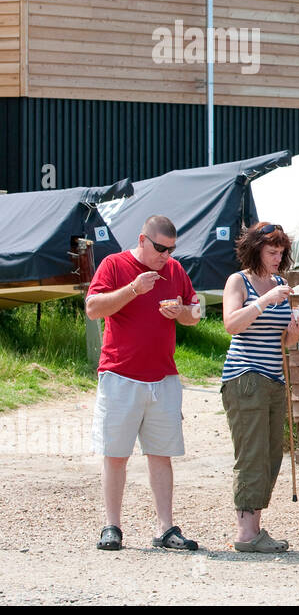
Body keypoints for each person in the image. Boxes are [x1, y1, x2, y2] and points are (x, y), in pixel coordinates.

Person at [85, 214, 203, 551]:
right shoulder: (114, 264)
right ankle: (112, 526)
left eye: (171, 249)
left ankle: (165, 528)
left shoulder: (175, 271)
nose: (166, 255)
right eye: (160, 248)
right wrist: (134, 289)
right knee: (115, 453)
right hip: (120, 374)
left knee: (161, 453)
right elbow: (93, 308)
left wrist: (181, 311)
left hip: (163, 376)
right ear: (141, 240)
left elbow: (196, 314)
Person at [220, 222, 299, 552]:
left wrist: (294, 333)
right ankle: (245, 533)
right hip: (245, 377)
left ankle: (254, 529)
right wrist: (265, 300)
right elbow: (231, 324)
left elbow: (281, 339)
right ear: (256, 250)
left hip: (273, 378)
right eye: (271, 252)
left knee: (270, 453)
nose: (277, 258)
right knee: (251, 453)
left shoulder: (281, 282)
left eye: (281, 252)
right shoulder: (238, 281)